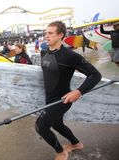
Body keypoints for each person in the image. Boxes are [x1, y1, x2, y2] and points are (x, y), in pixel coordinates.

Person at [37, 21, 101, 160]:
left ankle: (61, 152)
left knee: (40, 127)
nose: (46, 36)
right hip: (49, 98)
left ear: (60, 35)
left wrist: (78, 92)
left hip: (63, 99)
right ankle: (76, 144)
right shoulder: (44, 53)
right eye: (45, 33)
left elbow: (95, 75)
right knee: (57, 124)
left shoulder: (70, 56)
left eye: (50, 33)